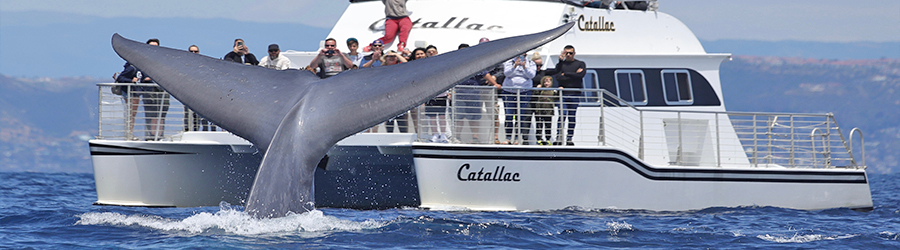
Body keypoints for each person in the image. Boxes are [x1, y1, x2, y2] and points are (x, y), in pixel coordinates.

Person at [116, 38, 169, 140]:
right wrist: (132, 80)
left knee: (140, 113)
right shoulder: (133, 65)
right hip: (133, 92)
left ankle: (137, 134)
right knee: (132, 113)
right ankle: (130, 134)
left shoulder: (156, 62)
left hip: (141, 91)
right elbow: (121, 77)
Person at [451, 43, 491, 144]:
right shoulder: (454, 63)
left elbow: (485, 74)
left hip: (473, 94)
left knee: (474, 117)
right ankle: (457, 137)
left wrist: (496, 84)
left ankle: (475, 138)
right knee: (459, 117)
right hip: (459, 94)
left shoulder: (476, 62)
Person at [500, 53, 536, 145]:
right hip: (509, 92)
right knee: (509, 115)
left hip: (524, 92)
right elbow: (507, 73)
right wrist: (515, 65)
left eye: (522, 55)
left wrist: (525, 67)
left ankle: (517, 138)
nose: (520, 56)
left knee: (520, 116)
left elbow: (531, 75)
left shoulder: (531, 63)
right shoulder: (509, 62)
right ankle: (508, 138)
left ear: (526, 55)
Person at [555, 45, 586, 145]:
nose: (568, 55)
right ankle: (559, 137)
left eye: (570, 53)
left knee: (572, 117)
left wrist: (566, 74)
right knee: (562, 115)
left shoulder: (580, 63)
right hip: (563, 94)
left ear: (574, 53)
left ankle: (569, 138)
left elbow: (580, 76)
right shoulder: (561, 65)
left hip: (575, 94)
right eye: (566, 53)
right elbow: (558, 77)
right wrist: (573, 74)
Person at [183, 45, 215, 132]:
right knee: (189, 114)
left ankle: (208, 130)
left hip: (202, 94)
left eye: (195, 51)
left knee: (205, 113)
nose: (193, 53)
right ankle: (190, 130)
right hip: (188, 94)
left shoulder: (203, 65)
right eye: (191, 51)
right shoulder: (184, 65)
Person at [532, 76, 557, 145]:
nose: (546, 83)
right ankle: (539, 139)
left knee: (548, 125)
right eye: (545, 82)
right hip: (539, 110)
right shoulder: (540, 90)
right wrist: (537, 89)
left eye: (548, 82)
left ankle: (548, 139)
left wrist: (559, 90)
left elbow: (557, 98)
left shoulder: (553, 91)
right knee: (539, 125)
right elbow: (534, 95)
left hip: (549, 110)